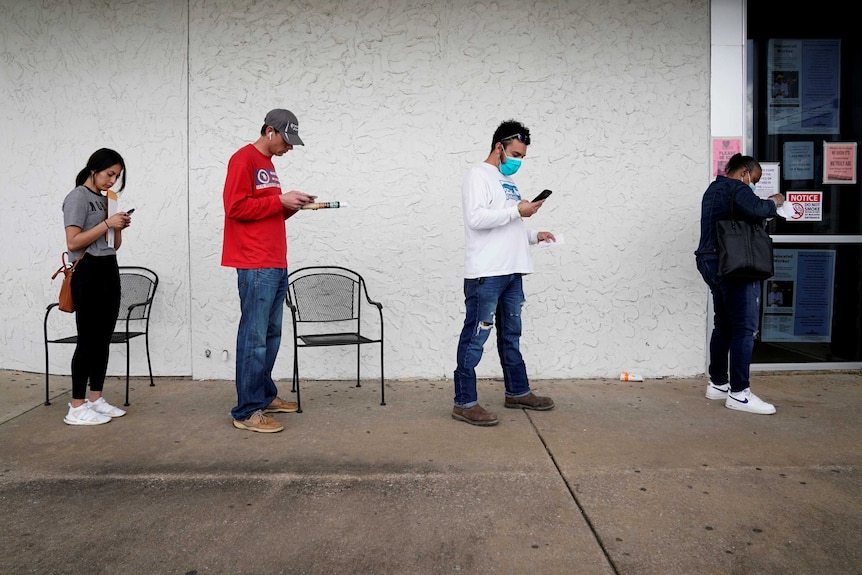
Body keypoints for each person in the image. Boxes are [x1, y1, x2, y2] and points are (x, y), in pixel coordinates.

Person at [452, 120, 556, 426]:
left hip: (513, 271)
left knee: (511, 334)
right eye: (515, 154)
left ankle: (517, 391)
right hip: (487, 272)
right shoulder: (477, 175)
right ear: (499, 147)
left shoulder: (505, 181)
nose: (518, 161)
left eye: (522, 156)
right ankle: (464, 402)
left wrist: (534, 234)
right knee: (476, 337)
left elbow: (508, 223)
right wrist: (516, 211)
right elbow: (476, 219)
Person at [222, 109, 316, 433]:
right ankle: (246, 411)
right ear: (270, 131)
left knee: (270, 335)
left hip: (275, 261)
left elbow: (265, 213)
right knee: (254, 337)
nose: (289, 148)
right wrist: (280, 201)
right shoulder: (243, 160)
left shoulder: (269, 167)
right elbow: (234, 208)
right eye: (286, 141)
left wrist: (291, 207)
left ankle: (263, 394)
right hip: (255, 263)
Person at [695, 153, 785, 415]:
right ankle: (739, 393)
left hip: (711, 261)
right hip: (734, 265)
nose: (752, 184)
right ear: (744, 171)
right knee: (744, 327)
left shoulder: (714, 189)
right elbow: (758, 209)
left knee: (723, 324)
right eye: (753, 179)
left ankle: (719, 383)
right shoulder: (736, 187)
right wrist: (775, 202)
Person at [61, 148, 133, 425]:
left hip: (107, 267)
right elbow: (72, 243)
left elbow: (112, 245)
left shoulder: (106, 200)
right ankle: (76, 406)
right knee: (88, 338)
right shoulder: (77, 197)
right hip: (87, 270)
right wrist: (106, 223)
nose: (112, 181)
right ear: (94, 169)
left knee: (103, 338)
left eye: (116, 176)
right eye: (109, 174)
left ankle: (95, 398)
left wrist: (118, 228)